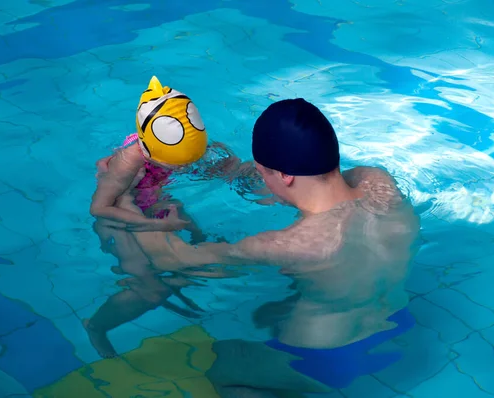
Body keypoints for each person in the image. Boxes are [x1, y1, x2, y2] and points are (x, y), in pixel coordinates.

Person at [136, 98, 421, 398]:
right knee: (273, 310)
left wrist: (143, 200)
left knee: (223, 358)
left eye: (262, 173)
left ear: (285, 175)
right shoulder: (377, 181)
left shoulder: (287, 245)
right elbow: (311, 189)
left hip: (319, 360)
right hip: (392, 330)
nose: (261, 178)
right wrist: (230, 170)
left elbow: (174, 260)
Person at [86, 76, 245, 358]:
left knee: (199, 255)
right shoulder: (128, 163)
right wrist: (159, 225)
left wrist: (225, 167)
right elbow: (99, 208)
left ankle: (170, 289)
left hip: (152, 204)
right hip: (118, 220)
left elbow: (201, 160)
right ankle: (96, 327)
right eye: (177, 165)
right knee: (149, 288)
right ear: (147, 150)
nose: (184, 167)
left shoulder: (180, 143)